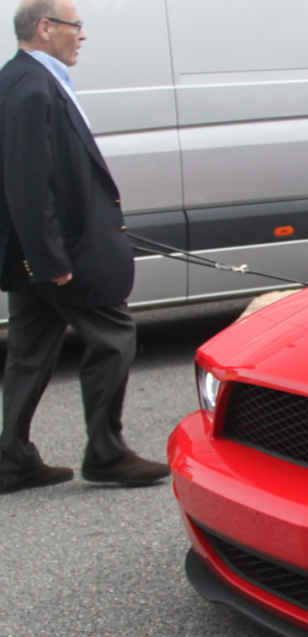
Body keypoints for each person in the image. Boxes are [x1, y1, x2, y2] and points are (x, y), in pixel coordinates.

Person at [0, 0, 170, 493]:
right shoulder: (33, 86)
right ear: (46, 27)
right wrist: (51, 259)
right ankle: (106, 453)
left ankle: (12, 458)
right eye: (77, 26)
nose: (83, 35)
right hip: (62, 253)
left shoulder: (22, 78)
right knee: (115, 340)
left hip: (37, 252)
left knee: (30, 355)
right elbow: (30, 183)